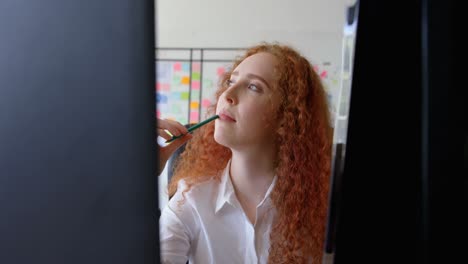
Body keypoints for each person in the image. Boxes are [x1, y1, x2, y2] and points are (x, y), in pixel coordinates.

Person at [159, 43, 332, 264]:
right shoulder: (190, 199)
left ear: (287, 118)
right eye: (231, 81)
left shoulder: (321, 208)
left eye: (253, 87)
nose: (227, 94)